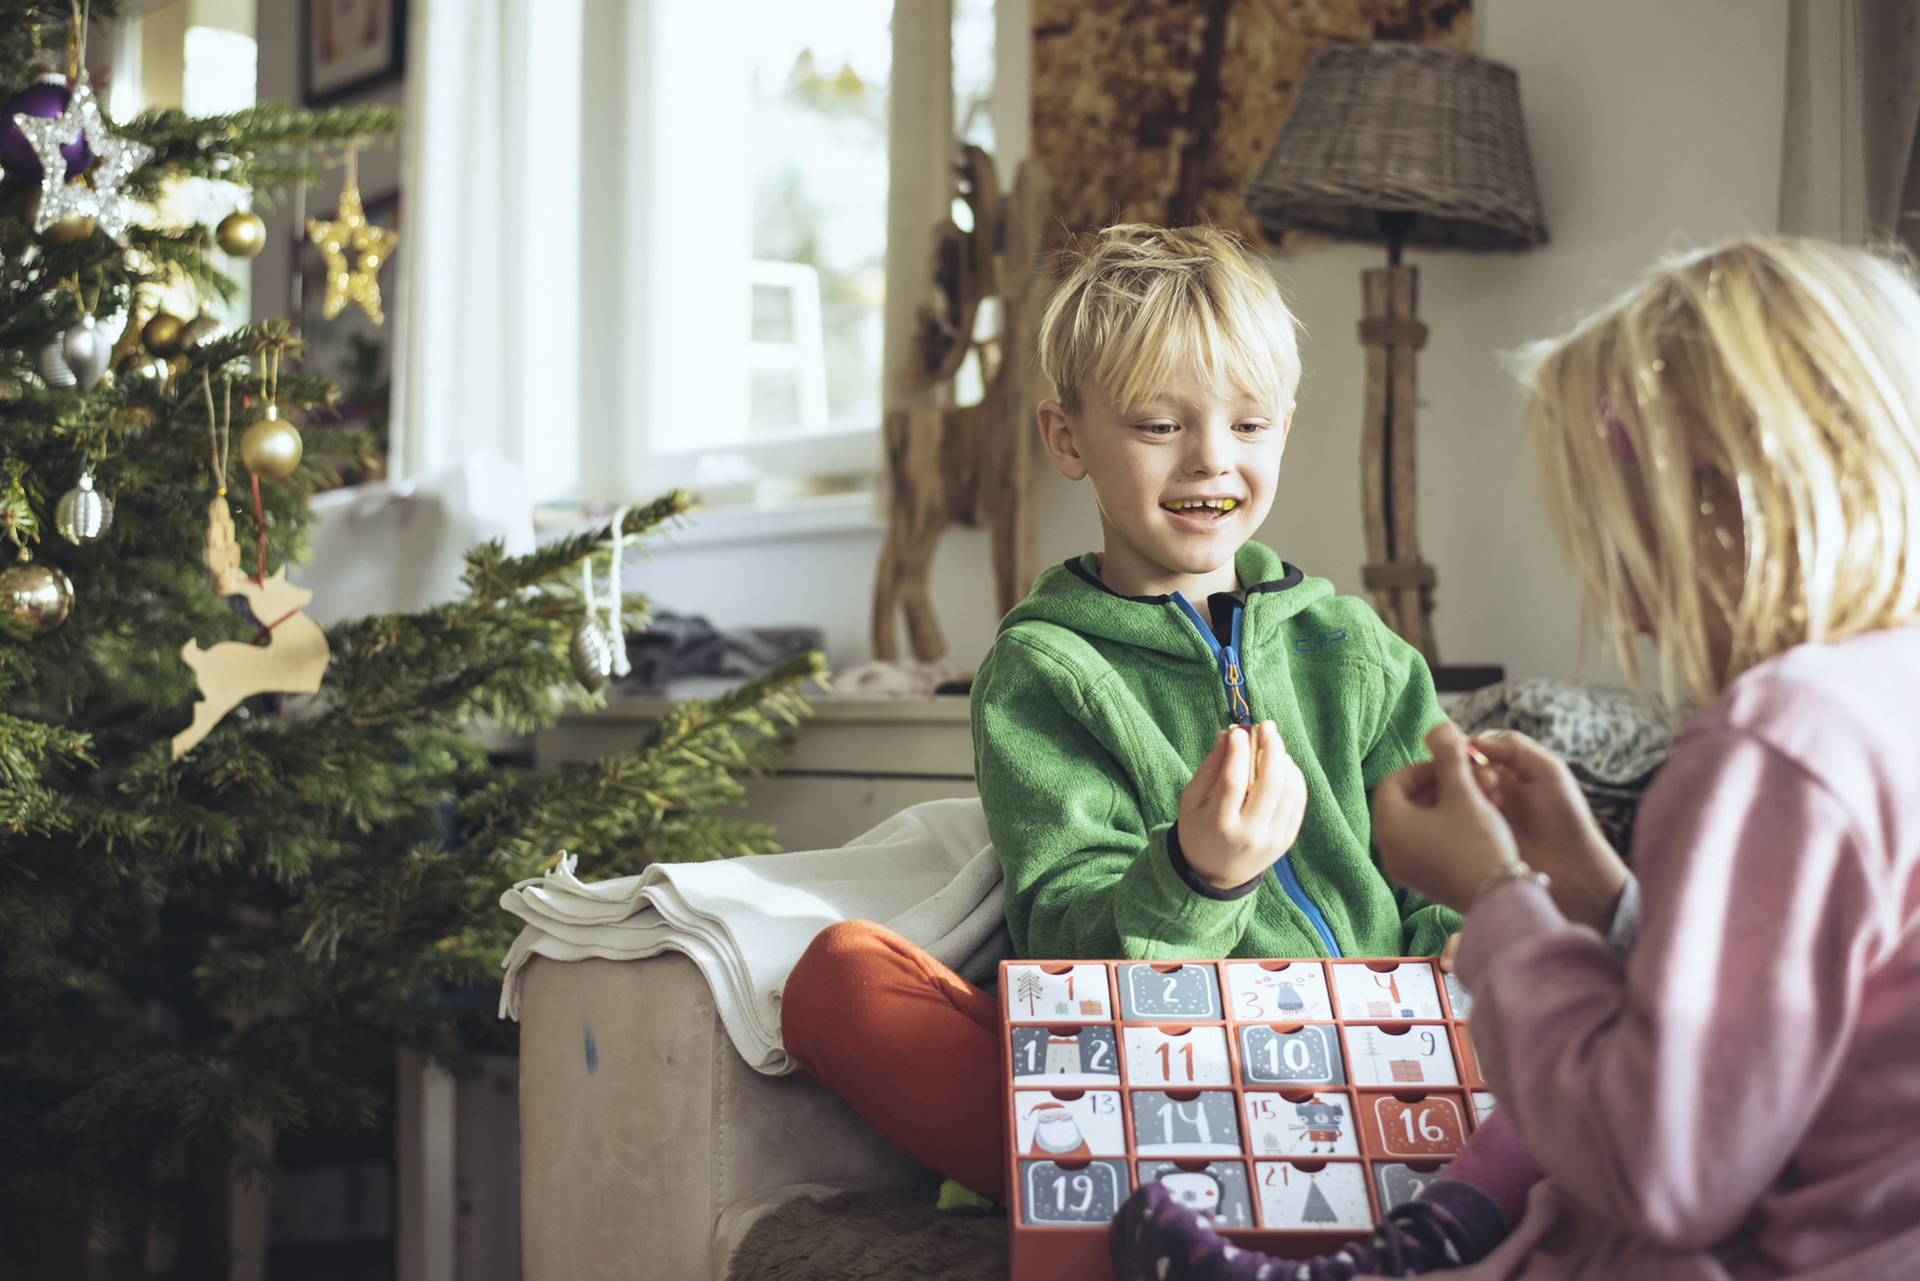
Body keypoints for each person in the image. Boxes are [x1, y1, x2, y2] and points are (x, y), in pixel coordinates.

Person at [1112, 235, 1920, 1280]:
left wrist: (1493, 896)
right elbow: (1782, 1026)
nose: (1629, 604)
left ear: (1737, 499)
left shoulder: (1777, 742)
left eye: (1626, 546)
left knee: (1558, 1189)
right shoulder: (1885, 696)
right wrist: (1594, 891)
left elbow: (1664, 1167)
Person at [781, 223, 1461, 1209]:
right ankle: (1129, 1197)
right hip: (1176, 1077)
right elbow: (1065, 936)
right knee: (845, 986)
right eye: (1157, 426)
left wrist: (1463, 939)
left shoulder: (1351, 647)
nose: (1208, 461)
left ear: (1287, 426)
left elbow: (1441, 861)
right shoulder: (1044, 666)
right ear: (1068, 439)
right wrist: (1198, 876)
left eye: (1249, 424)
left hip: (1385, 1067)